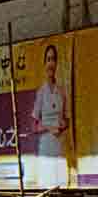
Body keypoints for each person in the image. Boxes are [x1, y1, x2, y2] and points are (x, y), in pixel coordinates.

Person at [31, 44, 71, 187]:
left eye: (53, 59)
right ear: (44, 63)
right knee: (48, 187)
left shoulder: (62, 91)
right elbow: (34, 126)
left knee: (62, 186)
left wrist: (63, 125)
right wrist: (50, 127)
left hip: (60, 145)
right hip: (46, 145)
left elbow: (67, 119)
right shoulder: (41, 93)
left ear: (57, 63)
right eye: (48, 59)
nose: (51, 63)